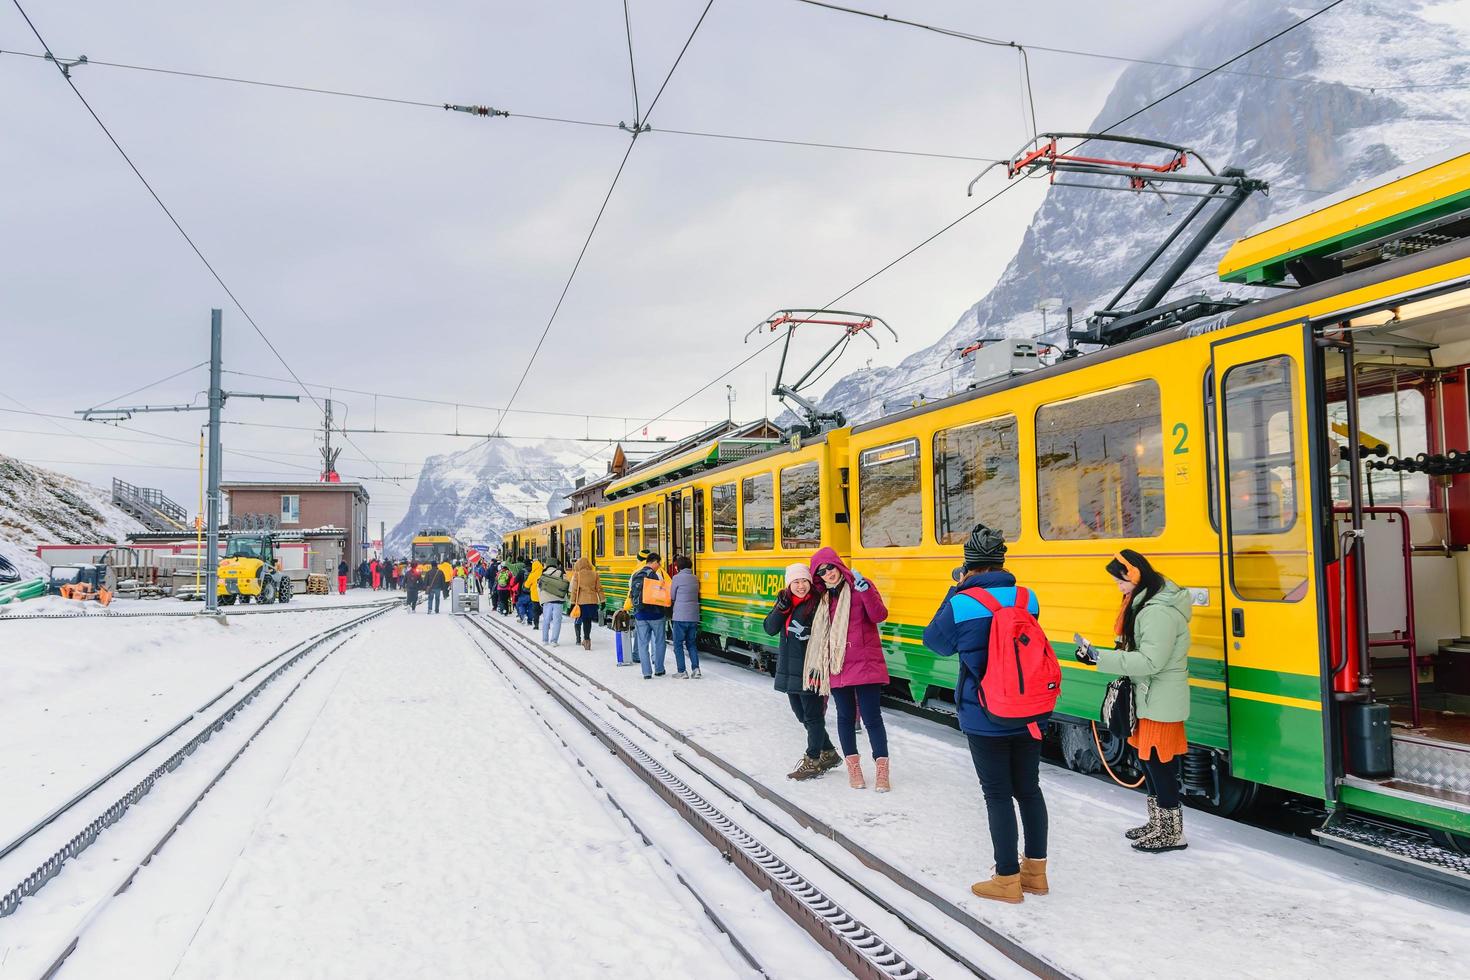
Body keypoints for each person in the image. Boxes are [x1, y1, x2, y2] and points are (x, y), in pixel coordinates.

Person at [923, 523, 1049, 904]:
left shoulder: (962, 602)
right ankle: (1036, 875)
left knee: (997, 794)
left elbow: (936, 642)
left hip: (986, 712)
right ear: (1001, 561)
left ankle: (1007, 880)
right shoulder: (1028, 597)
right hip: (1030, 710)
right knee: (1028, 790)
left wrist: (955, 590)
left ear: (968, 566)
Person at [1079, 549, 1192, 853]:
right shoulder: (1143, 604)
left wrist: (1101, 659)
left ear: (1134, 576)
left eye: (1119, 581)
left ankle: (1172, 833)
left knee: (1159, 763)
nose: (1118, 587)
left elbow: (1151, 661)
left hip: (1160, 698)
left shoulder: (1157, 612)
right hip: (1148, 697)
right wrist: (1096, 657)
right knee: (1148, 760)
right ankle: (1158, 824)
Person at [805, 547, 890, 791]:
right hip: (837, 665)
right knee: (844, 717)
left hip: (865, 662)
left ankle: (882, 770)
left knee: (872, 717)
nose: (827, 574)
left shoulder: (859, 586)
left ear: (838, 565)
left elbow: (878, 615)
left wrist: (866, 592)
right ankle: (854, 769)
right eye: (821, 572)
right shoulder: (823, 599)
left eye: (829, 567)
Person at [764, 563, 840, 780]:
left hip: (811, 669)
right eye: (796, 582)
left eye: (804, 581)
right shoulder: (785, 602)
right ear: (789, 584)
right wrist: (781, 608)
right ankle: (830, 754)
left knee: (813, 716)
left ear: (809, 582)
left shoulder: (818, 604)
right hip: (789, 669)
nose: (800, 586)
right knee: (801, 715)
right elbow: (769, 628)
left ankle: (813, 760)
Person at [628, 551, 670, 677]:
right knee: (659, 642)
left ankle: (646, 672)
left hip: (640, 615)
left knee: (642, 643)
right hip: (656, 615)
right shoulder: (655, 575)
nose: (660, 566)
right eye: (659, 563)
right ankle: (659, 669)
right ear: (655, 562)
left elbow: (631, 594)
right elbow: (661, 594)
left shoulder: (635, 574)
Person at [669, 555, 701, 678]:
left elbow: (672, 596)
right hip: (693, 615)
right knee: (691, 643)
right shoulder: (695, 578)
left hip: (680, 616)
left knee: (677, 644)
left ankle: (682, 671)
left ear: (678, 567)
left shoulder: (676, 578)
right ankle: (696, 669)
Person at [568, 555, 604, 650]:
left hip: (581, 602)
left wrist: (572, 604)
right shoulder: (595, 574)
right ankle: (587, 640)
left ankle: (583, 640)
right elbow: (599, 589)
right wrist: (602, 601)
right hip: (593, 602)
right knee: (588, 621)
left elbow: (575, 590)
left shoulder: (577, 575)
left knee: (582, 620)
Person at [539, 561, 570, 645]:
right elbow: (567, 586)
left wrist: (541, 601)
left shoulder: (542, 574)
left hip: (546, 601)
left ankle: (545, 640)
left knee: (546, 620)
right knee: (557, 621)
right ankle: (554, 641)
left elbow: (539, 588)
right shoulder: (560, 573)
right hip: (558, 600)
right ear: (555, 565)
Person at [527, 559, 544, 630]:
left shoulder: (532, 574)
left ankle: (536, 625)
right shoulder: (544, 573)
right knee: (544, 610)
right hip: (543, 596)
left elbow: (527, 584)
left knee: (535, 611)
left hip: (534, 596)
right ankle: (547, 625)